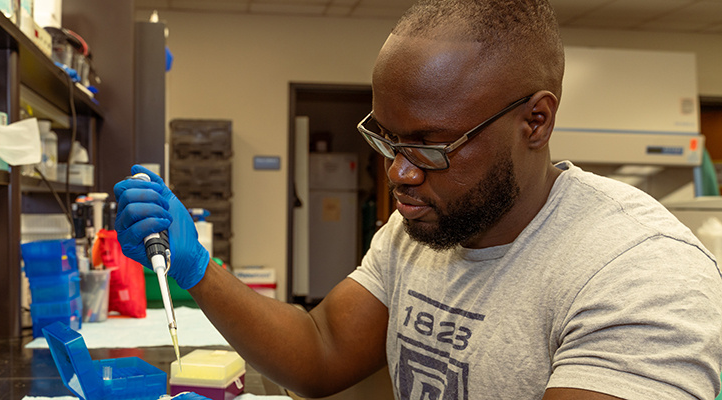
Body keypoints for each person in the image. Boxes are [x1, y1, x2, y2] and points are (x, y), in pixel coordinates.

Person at [114, 0, 722, 398]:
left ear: (535, 121)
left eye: (433, 145)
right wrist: (199, 270)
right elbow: (321, 349)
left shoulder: (638, 272)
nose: (400, 174)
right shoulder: (425, 227)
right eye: (388, 139)